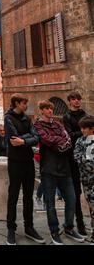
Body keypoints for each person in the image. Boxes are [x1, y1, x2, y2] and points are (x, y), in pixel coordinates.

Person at [34, 100, 84, 245]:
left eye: (51, 108)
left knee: (72, 200)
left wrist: (60, 143)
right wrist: (60, 142)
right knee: (50, 203)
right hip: (49, 169)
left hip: (65, 168)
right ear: (42, 110)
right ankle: (54, 231)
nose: (50, 110)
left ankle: (68, 227)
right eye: (47, 108)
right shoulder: (37, 126)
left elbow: (68, 139)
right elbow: (47, 140)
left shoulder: (58, 124)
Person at [4, 93, 44, 245]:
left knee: (29, 196)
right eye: (23, 103)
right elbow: (14, 138)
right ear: (16, 103)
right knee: (13, 196)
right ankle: (10, 229)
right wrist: (27, 138)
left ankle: (29, 227)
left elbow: (36, 137)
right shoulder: (8, 118)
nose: (26, 105)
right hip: (15, 162)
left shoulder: (28, 118)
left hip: (28, 161)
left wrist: (24, 140)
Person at [63, 91, 88, 237]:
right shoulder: (66, 117)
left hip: (87, 156)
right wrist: (84, 131)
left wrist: (82, 132)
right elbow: (70, 136)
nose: (77, 101)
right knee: (76, 192)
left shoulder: (85, 114)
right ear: (69, 101)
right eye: (74, 99)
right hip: (73, 159)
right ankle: (79, 224)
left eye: (78, 98)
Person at [74, 115, 94, 244]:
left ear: (92, 129)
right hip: (86, 181)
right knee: (92, 207)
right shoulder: (80, 141)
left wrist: (86, 162)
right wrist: (88, 162)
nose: (82, 130)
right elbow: (76, 156)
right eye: (81, 128)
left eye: (85, 128)